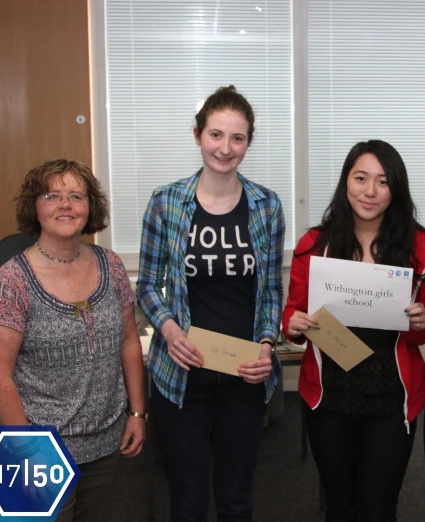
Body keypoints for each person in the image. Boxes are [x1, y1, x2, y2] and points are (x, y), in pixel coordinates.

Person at [136, 85, 285, 522]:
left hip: (244, 372)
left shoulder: (267, 206)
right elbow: (147, 284)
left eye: (237, 138)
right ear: (198, 135)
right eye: (216, 135)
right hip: (182, 373)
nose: (225, 148)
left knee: (237, 498)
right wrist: (168, 329)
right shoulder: (166, 203)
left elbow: (271, 289)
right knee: (187, 497)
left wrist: (266, 343)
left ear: (248, 143)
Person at [283, 139, 425, 522]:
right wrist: (293, 324)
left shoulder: (423, 250)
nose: (370, 192)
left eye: (383, 181)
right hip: (330, 395)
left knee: (379, 507)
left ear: (396, 189)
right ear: (346, 182)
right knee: (340, 505)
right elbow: (293, 313)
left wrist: (421, 323)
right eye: (360, 178)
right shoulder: (315, 245)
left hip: (391, 397)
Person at [0, 159, 146, 522]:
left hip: (105, 440)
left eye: (76, 195)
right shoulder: (12, 282)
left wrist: (136, 412)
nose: (65, 204)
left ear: (91, 208)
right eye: (52, 195)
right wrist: (26, 449)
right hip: (37, 447)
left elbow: (130, 343)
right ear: (34, 207)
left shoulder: (112, 266)